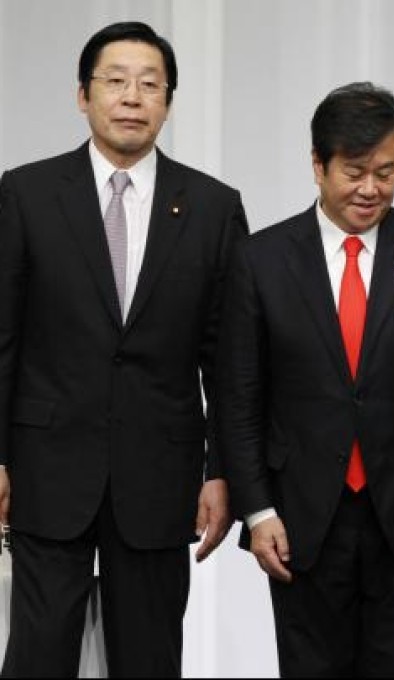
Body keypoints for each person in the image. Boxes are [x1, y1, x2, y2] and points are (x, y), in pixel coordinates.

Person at [0, 21, 247, 677]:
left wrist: (223, 471)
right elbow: (2, 338)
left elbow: (228, 363)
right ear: (83, 95)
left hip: (160, 473)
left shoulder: (213, 209)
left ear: (167, 99)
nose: (132, 97)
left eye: (150, 84)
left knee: (150, 656)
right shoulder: (25, 195)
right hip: (47, 466)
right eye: (115, 81)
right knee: (37, 654)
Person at [218, 82, 394, 678]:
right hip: (300, 517)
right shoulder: (260, 260)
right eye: (355, 171)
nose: (371, 189)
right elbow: (240, 398)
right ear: (318, 165)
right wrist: (257, 510)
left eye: (386, 172)